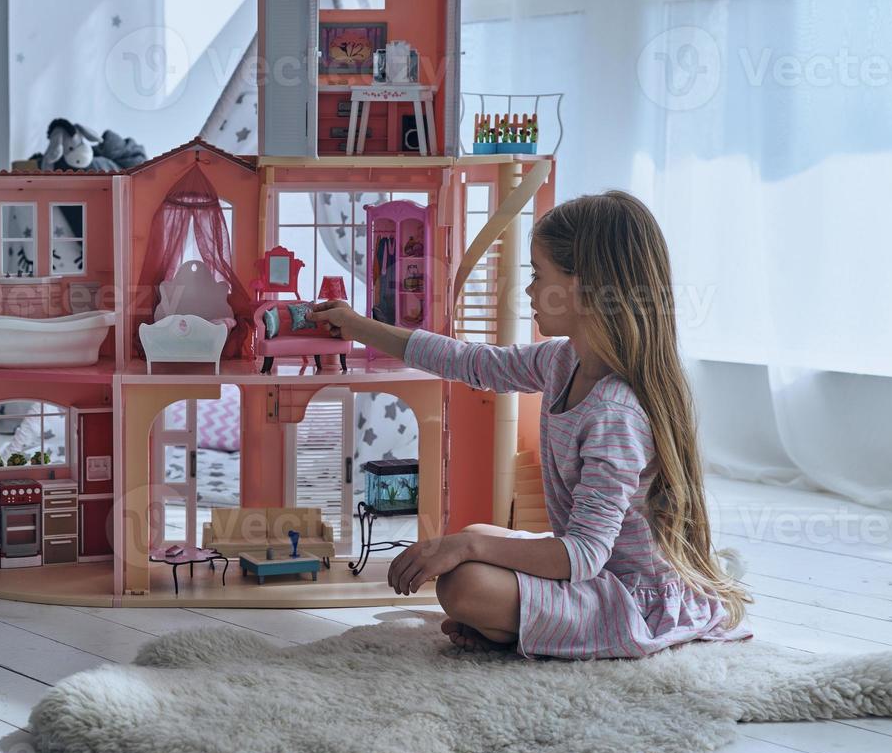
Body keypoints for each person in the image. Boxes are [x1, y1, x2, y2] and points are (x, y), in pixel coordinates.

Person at [312, 191, 752, 659]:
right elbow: (473, 362)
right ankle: (519, 627)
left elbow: (581, 555)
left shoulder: (614, 414)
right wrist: (359, 327)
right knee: (478, 536)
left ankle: (522, 625)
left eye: (538, 275)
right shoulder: (562, 362)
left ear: (584, 287)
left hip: (626, 598)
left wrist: (466, 546)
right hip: (592, 575)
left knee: (465, 583)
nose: (527, 290)